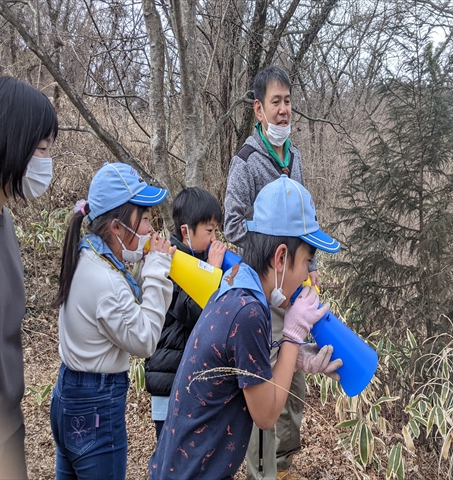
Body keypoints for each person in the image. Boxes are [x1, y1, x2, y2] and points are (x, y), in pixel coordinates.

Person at [149, 175, 342, 480]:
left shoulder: (236, 283)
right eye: (307, 262)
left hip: (180, 466)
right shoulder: (249, 311)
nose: (307, 275)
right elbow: (266, 415)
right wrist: (292, 336)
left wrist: (295, 358)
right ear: (281, 257)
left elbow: (241, 363)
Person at [224, 65, 326, 479]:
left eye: (288, 102)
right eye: (275, 102)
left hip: (293, 289)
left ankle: (282, 464)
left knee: (294, 385)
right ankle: (257, 469)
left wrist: (310, 266)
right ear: (259, 109)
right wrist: (269, 251)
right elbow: (231, 223)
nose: (283, 111)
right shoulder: (246, 161)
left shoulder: (295, 155)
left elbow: (305, 220)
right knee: (262, 382)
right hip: (261, 292)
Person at [50, 162, 175, 479]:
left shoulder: (88, 255)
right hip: (95, 406)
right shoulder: (106, 284)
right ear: (118, 227)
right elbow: (145, 340)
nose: (150, 229)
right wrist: (158, 272)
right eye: (145, 219)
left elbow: (120, 297)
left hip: (69, 395)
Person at [0, 76, 58, 479]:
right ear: (10, 140)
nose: (47, 162)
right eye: (41, 149)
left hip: (6, 428)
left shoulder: (1, 217)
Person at [144, 187, 227, 440]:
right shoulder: (170, 262)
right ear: (185, 231)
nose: (215, 238)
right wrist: (213, 271)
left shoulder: (197, 262)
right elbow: (193, 309)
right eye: (209, 231)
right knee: (170, 457)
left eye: (216, 230)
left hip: (193, 382)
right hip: (169, 381)